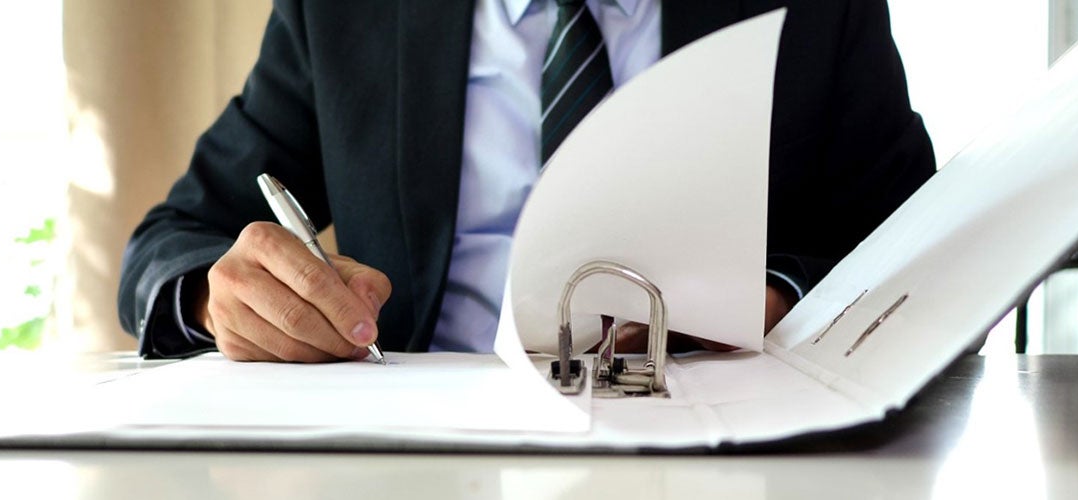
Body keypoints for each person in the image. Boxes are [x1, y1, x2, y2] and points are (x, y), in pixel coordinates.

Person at [117, 0, 936, 361]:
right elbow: (170, 238)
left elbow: (913, 232)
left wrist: (772, 295)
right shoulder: (342, 12)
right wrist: (218, 298)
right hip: (413, 460)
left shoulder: (819, 8)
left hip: (728, 445)